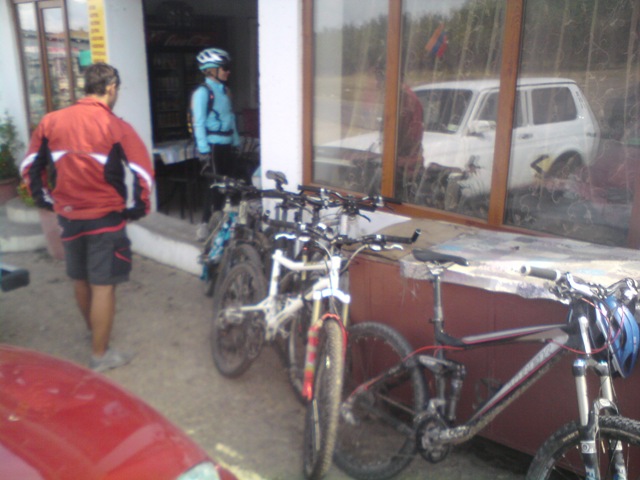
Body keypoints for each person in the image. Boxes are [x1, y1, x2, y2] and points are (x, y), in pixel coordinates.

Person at [20, 62, 154, 372]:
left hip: (68, 216)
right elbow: (143, 172)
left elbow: (29, 166)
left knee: (80, 278)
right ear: (111, 88)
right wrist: (139, 208)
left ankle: (95, 334)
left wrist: (45, 199)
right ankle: (100, 355)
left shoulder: (51, 121)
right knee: (103, 285)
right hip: (105, 217)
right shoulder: (115, 126)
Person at [191, 47, 242, 241]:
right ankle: (205, 224)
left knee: (230, 184)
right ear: (212, 70)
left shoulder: (225, 91)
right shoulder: (203, 92)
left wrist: (236, 142)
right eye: (225, 68)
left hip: (227, 144)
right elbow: (198, 122)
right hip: (213, 146)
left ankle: (223, 222)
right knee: (214, 186)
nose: (228, 72)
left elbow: (231, 118)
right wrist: (203, 150)